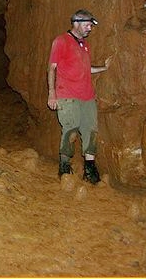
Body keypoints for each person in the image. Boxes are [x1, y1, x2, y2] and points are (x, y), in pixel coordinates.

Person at [47, 9, 111, 184]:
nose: (90, 28)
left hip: (87, 96)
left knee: (90, 130)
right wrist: (52, 94)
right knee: (71, 129)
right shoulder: (61, 41)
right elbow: (52, 67)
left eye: (91, 25)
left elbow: (86, 69)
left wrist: (103, 69)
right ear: (76, 23)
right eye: (87, 24)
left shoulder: (84, 45)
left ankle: (90, 169)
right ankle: (64, 166)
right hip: (67, 95)